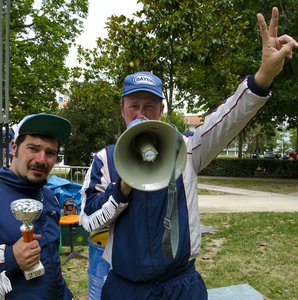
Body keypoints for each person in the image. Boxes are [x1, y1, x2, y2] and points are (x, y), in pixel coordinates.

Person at [80, 7, 298, 300]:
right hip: (126, 288)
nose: (141, 114)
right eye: (134, 105)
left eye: (149, 106)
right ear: (122, 110)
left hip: (181, 285)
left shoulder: (186, 147)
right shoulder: (105, 159)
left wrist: (263, 76)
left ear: (161, 110)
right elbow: (88, 221)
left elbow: (226, 119)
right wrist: (122, 188)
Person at [0, 113, 73, 299]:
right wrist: (9, 258)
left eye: (50, 153)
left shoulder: (48, 195)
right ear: (14, 148)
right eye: (33, 148)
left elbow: (52, 259)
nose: (42, 159)